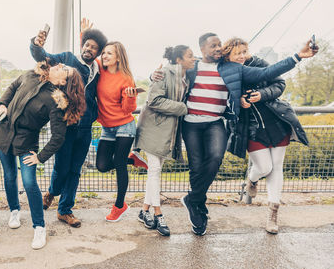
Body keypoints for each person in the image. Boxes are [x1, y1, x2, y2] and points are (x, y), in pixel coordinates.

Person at [151, 33, 317, 236]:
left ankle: (192, 199)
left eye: (220, 44)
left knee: (215, 159)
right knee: (196, 166)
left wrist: (297, 56)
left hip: (215, 123)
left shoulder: (232, 68)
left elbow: (266, 73)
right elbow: (168, 74)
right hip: (191, 124)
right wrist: (154, 76)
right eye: (213, 45)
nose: (218, 48)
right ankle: (198, 209)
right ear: (202, 49)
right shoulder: (191, 66)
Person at [0, 61, 86, 249]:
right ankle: (14, 211)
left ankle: (39, 227)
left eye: (64, 69)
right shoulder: (30, 75)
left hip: (26, 143)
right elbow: (13, 86)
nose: (59, 65)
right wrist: (3, 104)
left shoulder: (57, 101)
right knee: (9, 176)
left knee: (29, 183)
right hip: (3, 135)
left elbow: (58, 137)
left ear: (63, 82)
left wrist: (40, 157)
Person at [223, 38, 310, 234]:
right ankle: (252, 180)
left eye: (245, 51)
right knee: (264, 167)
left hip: (276, 122)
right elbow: (224, 98)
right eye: (238, 53)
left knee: (276, 168)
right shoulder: (225, 72)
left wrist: (262, 94)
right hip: (250, 127)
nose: (243, 56)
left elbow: (280, 83)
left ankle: (273, 213)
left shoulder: (259, 64)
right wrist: (239, 101)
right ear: (228, 55)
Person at [30, 19, 107, 228]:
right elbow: (42, 58)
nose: (89, 49)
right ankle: (52, 192)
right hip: (66, 125)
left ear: (98, 52)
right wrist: (37, 45)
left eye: (94, 48)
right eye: (87, 45)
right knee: (62, 168)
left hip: (86, 128)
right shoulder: (66, 58)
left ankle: (65, 210)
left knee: (75, 170)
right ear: (82, 45)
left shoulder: (98, 71)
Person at [134, 45, 196, 236]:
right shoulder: (163, 73)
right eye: (190, 56)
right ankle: (158, 213)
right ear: (179, 59)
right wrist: (183, 107)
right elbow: (154, 100)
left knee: (155, 170)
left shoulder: (186, 76)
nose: (193, 59)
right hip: (152, 128)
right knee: (155, 170)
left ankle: (144, 211)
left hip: (166, 131)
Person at [95, 41, 137, 222]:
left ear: (118, 58)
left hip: (124, 125)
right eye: (104, 53)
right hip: (107, 127)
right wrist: (84, 34)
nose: (104, 56)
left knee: (119, 163)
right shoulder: (100, 69)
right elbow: (88, 54)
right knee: (102, 166)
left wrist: (129, 96)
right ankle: (131, 159)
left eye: (109, 54)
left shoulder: (126, 78)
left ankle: (119, 206)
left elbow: (128, 110)